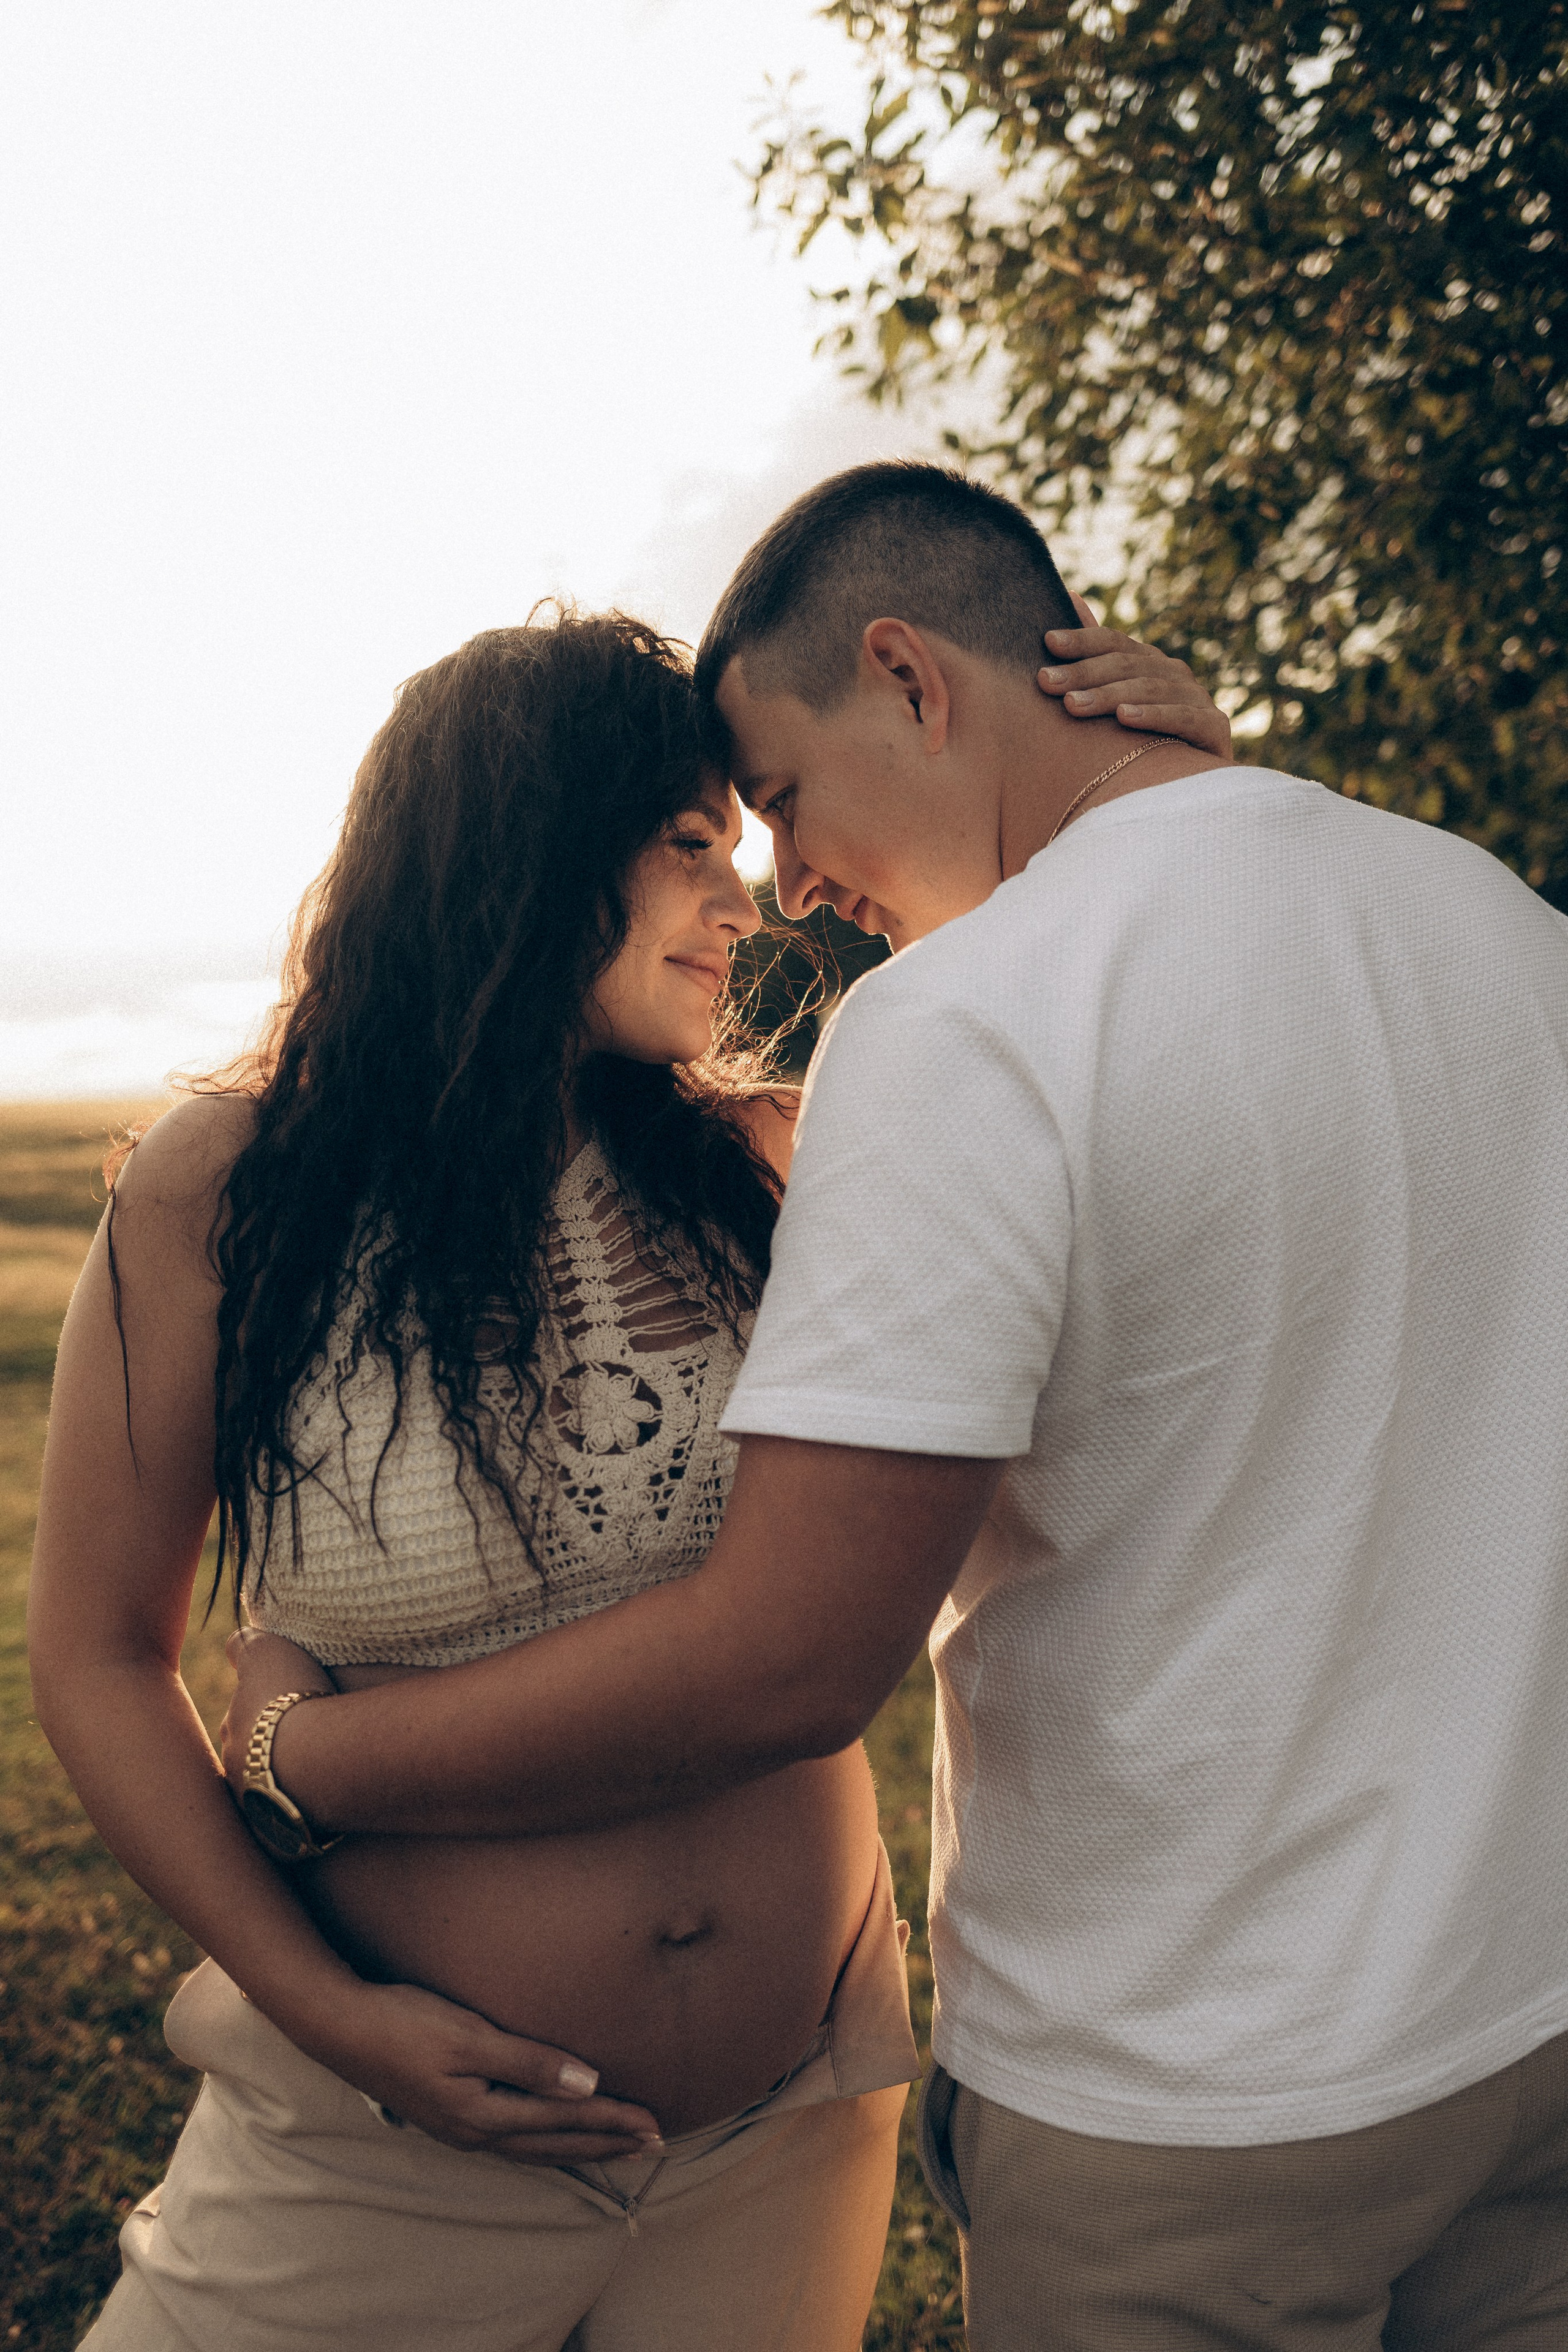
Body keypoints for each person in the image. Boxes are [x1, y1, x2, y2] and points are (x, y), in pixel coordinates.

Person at [219, 463, 1568, 2351]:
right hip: (1527, 2025)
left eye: (773, 801)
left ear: (910, 679)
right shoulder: (1494, 919)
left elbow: (786, 1662)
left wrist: (304, 1755)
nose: (784, 884)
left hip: (1192, 2103)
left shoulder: (965, 1027)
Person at [29, 597, 1223, 2352]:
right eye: (689, 848)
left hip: (786, 2129)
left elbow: (1120, 1052)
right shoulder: (229, 1189)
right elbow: (94, 1658)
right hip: (385, 2145)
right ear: (521, 847)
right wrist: (327, 2015)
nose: (745, 904)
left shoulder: (767, 1152)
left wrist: (1161, 785)